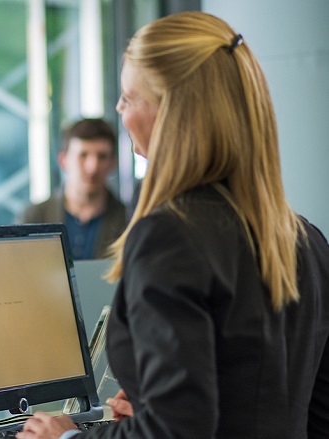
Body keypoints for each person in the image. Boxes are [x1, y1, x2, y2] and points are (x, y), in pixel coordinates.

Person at [17, 11, 329, 439]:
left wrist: (69, 436)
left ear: (171, 112)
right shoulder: (304, 237)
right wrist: (150, 411)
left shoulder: (169, 237)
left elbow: (177, 429)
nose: (119, 110)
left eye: (129, 98)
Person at [18, 118, 127, 260]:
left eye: (102, 156)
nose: (92, 167)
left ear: (113, 162)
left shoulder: (128, 220)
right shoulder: (34, 218)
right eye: (83, 155)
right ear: (63, 160)